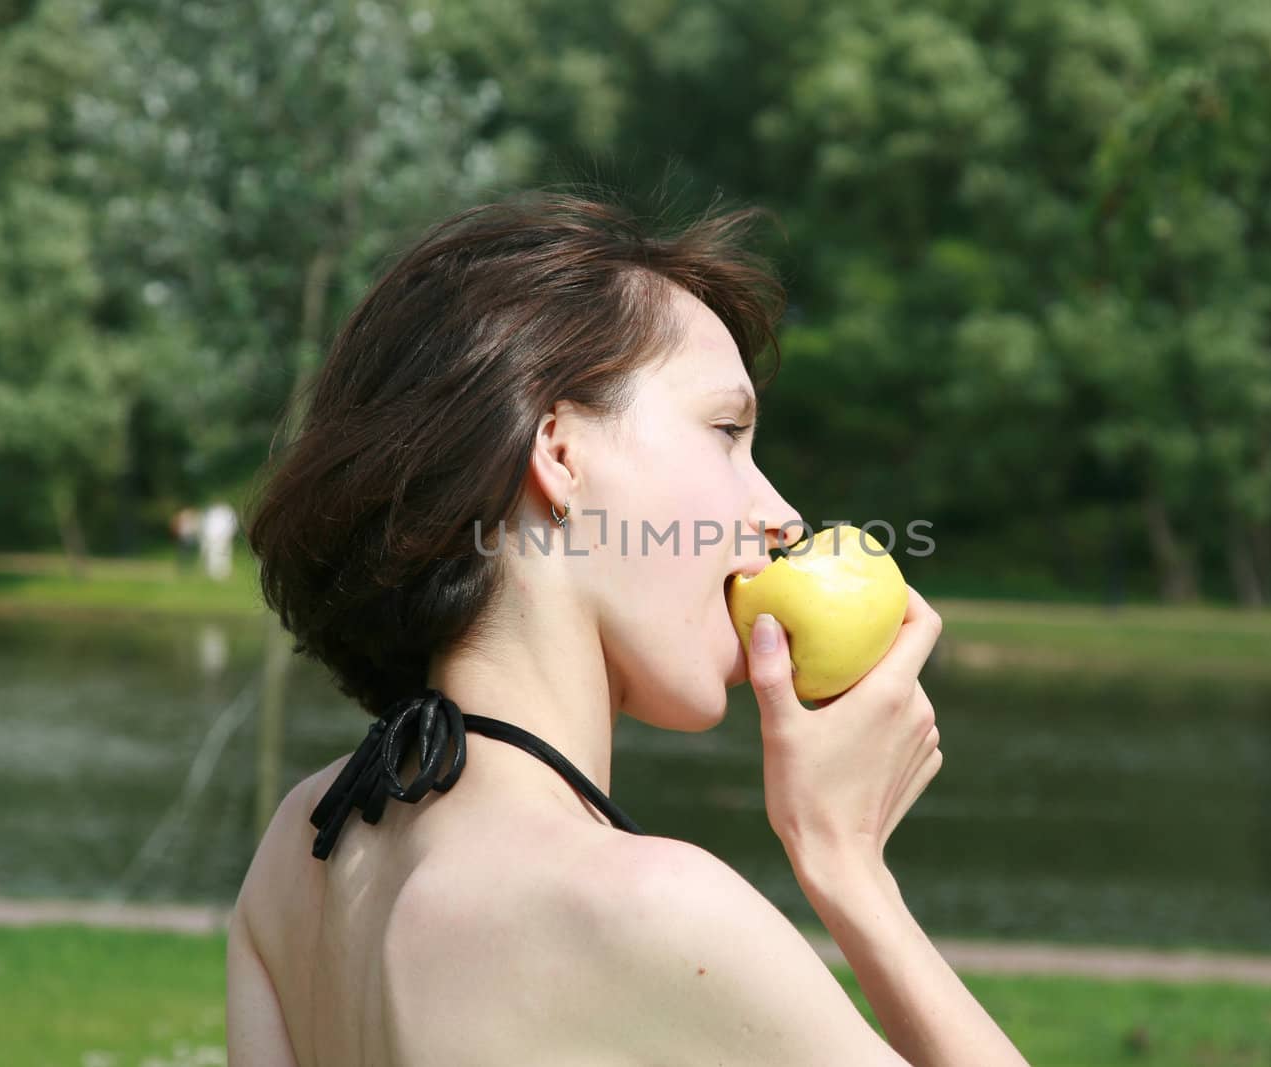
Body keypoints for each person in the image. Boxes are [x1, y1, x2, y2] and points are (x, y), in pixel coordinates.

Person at [230, 191, 1028, 1066]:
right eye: (727, 431)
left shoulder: (308, 841)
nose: (783, 516)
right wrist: (849, 867)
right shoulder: (649, 907)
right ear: (560, 454)